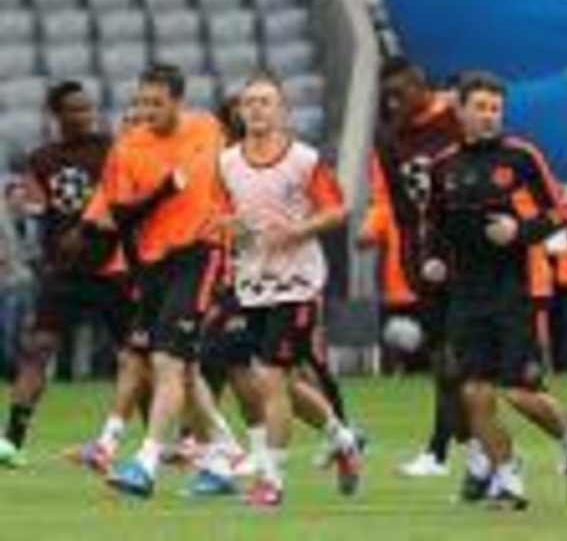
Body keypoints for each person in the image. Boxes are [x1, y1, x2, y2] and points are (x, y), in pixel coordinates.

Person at [420, 71, 567, 510]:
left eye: (496, 109)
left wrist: (519, 231)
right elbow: (434, 224)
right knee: (473, 392)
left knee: (520, 391)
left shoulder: (521, 157)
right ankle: (508, 477)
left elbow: (560, 211)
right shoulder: (443, 166)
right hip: (467, 293)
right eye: (481, 108)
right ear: (460, 111)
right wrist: (433, 258)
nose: (489, 116)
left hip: (516, 289)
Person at [80, 63, 228, 499]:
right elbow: (120, 216)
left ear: (178, 102)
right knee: (182, 370)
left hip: (201, 253)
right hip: (152, 265)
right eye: (141, 102)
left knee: (167, 361)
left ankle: (145, 464)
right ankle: (222, 460)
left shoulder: (208, 128)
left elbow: (233, 174)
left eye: (156, 103)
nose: (146, 111)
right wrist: (163, 190)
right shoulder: (127, 148)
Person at [217, 73, 362, 507]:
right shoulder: (227, 162)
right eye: (250, 102)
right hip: (251, 283)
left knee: (269, 376)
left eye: (266, 101)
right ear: (239, 112)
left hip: (297, 284)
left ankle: (272, 480)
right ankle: (343, 440)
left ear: (282, 110)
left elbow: (337, 209)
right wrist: (230, 227)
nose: (257, 109)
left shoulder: (303, 160)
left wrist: (298, 229)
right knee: (278, 383)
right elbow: (220, 214)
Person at [0, 82, 142, 469]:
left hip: (112, 270)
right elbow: (34, 206)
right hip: (63, 274)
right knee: (38, 349)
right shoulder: (41, 159)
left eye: (88, 108)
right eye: (75, 109)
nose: (85, 115)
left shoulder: (111, 150)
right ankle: (12, 440)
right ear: (56, 114)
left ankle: (156, 445)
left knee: (137, 357)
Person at [366, 58, 476, 489]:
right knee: (444, 360)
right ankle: (452, 451)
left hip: (468, 257)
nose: (394, 104)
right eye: (388, 98)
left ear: (420, 85)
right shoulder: (388, 136)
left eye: (400, 94)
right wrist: (413, 258)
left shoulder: (456, 118)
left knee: (472, 365)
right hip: (426, 261)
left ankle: (559, 441)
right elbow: (402, 209)